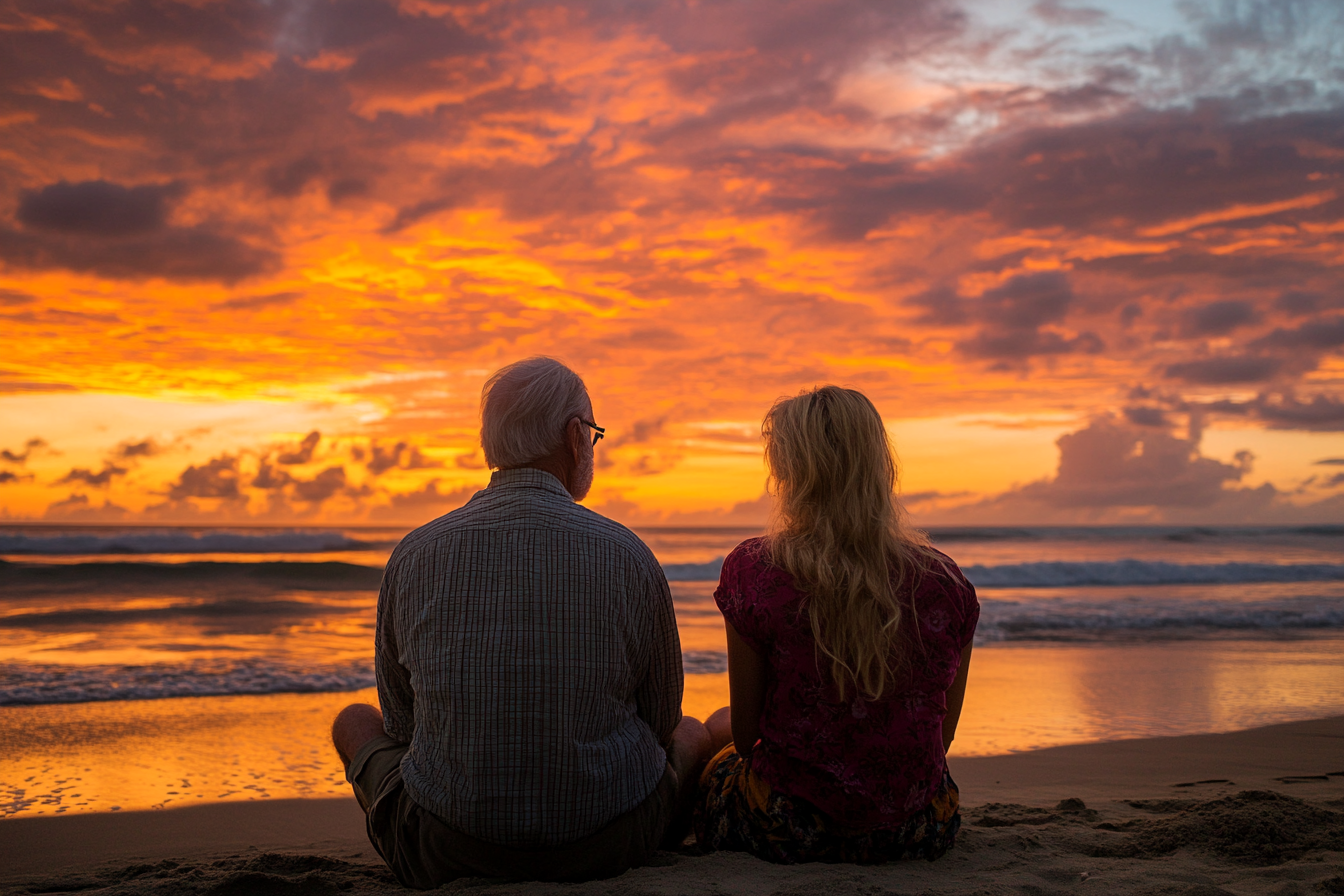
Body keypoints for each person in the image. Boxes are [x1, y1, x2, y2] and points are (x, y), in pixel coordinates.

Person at [331, 357, 712, 888]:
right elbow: (661, 717)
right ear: (575, 436)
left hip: (445, 849)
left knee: (353, 720)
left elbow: (401, 724)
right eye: (595, 436)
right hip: (607, 845)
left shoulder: (415, 554)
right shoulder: (628, 554)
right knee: (692, 733)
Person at [695, 385, 978, 864]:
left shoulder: (755, 570)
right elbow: (941, 737)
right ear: (880, 466)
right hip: (918, 826)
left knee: (713, 729)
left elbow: (746, 737)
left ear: (788, 471)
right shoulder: (946, 583)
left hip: (791, 825)